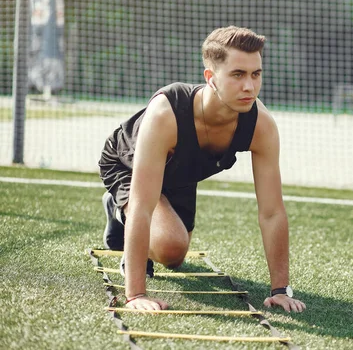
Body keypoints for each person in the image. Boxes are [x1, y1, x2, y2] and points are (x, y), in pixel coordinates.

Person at [98, 26, 306, 313]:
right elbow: (143, 206)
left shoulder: (261, 125)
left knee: (174, 257)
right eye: (237, 74)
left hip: (180, 172)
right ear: (211, 78)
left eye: (255, 74)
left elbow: (271, 212)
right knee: (168, 242)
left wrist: (280, 290)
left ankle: (125, 215)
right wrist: (136, 294)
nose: (249, 86)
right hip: (127, 164)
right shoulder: (166, 113)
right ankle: (117, 206)